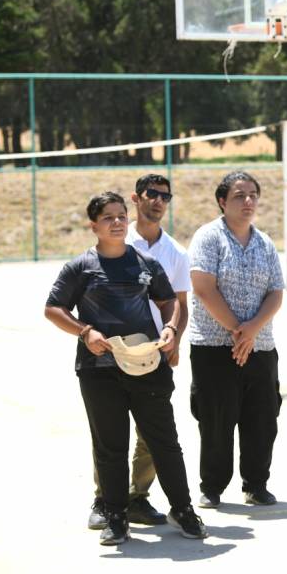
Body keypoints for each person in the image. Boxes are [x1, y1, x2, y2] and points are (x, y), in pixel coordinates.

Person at [45, 192, 207, 545]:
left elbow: (169, 302)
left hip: (147, 366)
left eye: (121, 216)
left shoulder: (146, 262)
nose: (117, 222)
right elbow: (53, 309)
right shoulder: (80, 267)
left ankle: (182, 510)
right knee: (110, 446)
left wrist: (170, 329)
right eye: (108, 218)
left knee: (164, 442)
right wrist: (85, 331)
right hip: (98, 369)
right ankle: (116, 516)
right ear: (94, 226)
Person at [85, 174, 191, 530]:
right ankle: (105, 501)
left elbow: (177, 303)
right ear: (135, 199)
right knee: (109, 434)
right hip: (110, 355)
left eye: (165, 196)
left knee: (152, 437)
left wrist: (174, 338)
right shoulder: (115, 236)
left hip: (151, 355)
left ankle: (135, 497)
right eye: (152, 194)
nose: (159, 201)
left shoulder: (175, 253)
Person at [187, 171, 285, 508]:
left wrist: (252, 330)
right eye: (240, 196)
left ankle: (256, 484)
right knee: (217, 419)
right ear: (222, 201)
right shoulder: (208, 237)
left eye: (253, 195)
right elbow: (203, 287)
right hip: (214, 347)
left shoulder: (265, 243)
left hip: (260, 347)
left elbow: (275, 292)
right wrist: (236, 331)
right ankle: (212, 486)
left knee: (262, 419)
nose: (248, 202)